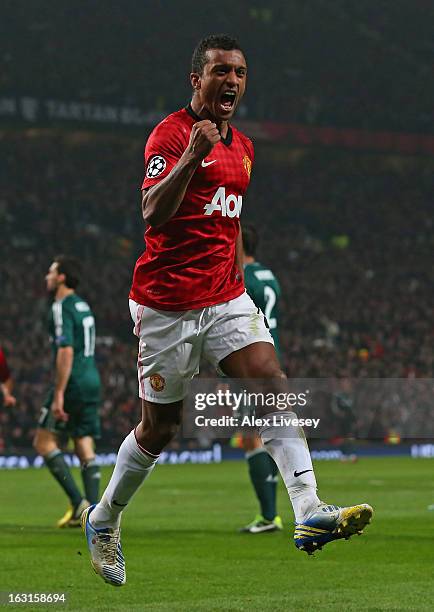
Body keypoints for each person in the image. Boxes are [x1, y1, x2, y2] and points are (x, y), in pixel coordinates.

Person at [82, 34, 373, 587]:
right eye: (221, 71)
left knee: (270, 382)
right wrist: (191, 155)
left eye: (240, 72)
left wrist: (233, 281)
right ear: (197, 79)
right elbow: (153, 214)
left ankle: (308, 510)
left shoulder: (245, 148)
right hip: (167, 306)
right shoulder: (170, 134)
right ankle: (104, 518)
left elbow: (225, 225)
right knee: (159, 428)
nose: (232, 81)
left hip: (226, 297)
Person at [33, 255, 101, 527]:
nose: (47, 277)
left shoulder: (61, 307)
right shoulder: (83, 305)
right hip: (91, 379)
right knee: (84, 443)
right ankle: (95, 514)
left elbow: (66, 350)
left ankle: (77, 502)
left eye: (51, 272)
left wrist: (59, 393)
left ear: (61, 277)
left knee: (43, 442)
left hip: (72, 382)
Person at [238, 224, 282, 534]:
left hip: (252, 362)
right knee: (273, 435)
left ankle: (269, 516)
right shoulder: (270, 277)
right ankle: (274, 513)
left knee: (251, 436)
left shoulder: (242, 279)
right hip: (272, 360)